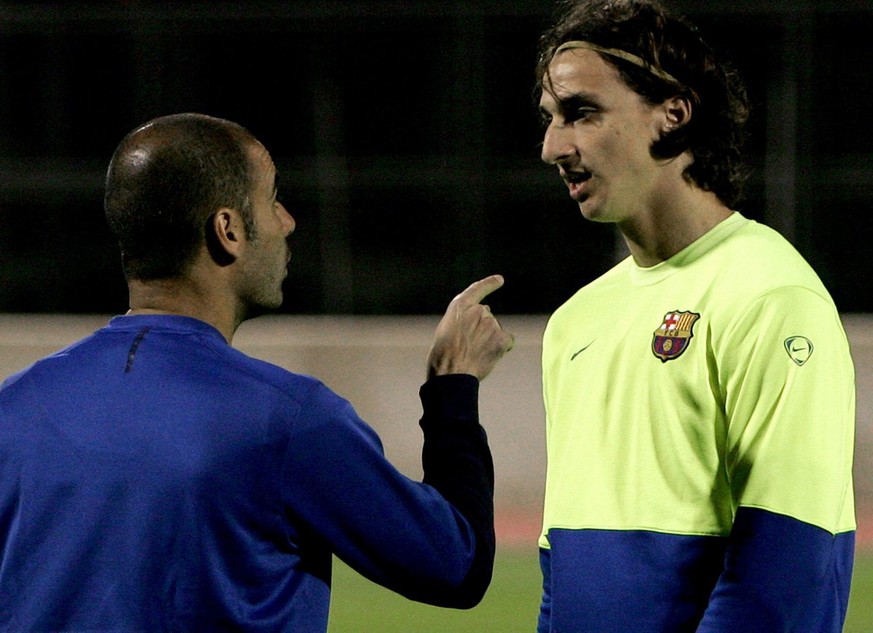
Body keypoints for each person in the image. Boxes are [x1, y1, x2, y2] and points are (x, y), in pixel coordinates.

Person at [0, 113, 514, 631]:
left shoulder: (12, 407)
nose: (287, 221)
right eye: (272, 200)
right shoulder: (286, 420)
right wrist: (453, 387)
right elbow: (456, 566)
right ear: (229, 231)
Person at [534, 1, 855, 631]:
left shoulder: (770, 295)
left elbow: (785, 577)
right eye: (548, 120)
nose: (553, 147)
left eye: (581, 112)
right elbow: (561, 578)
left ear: (672, 115)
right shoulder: (576, 321)